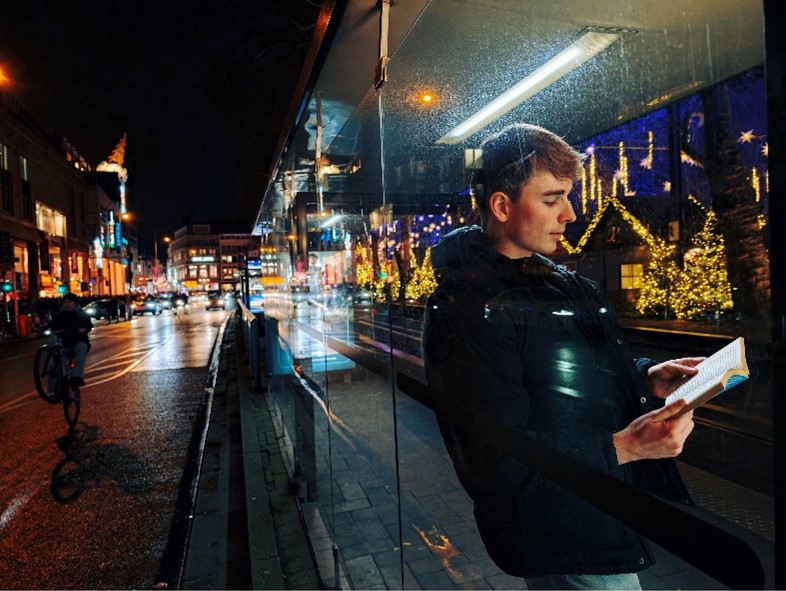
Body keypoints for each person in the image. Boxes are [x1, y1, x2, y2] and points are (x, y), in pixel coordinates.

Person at [422, 123, 703, 590]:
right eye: (552, 199)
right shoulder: (469, 310)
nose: (570, 214)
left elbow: (565, 378)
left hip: (594, 508)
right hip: (565, 529)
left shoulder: (552, 283)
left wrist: (647, 377)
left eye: (568, 196)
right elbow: (494, 459)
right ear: (501, 205)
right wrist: (627, 446)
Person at [48, 292, 92, 388]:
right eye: (65, 302)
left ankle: (76, 377)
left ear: (75, 303)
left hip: (77, 343)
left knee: (82, 347)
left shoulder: (81, 314)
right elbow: (51, 326)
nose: (67, 304)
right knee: (54, 366)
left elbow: (88, 324)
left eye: (70, 302)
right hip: (63, 345)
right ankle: (52, 392)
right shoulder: (59, 316)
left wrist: (84, 329)